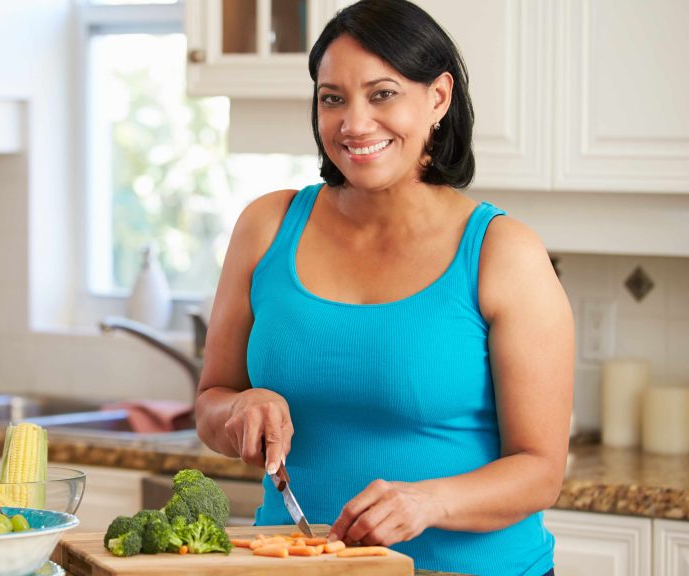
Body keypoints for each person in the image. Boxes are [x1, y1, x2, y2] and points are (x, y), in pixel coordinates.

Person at [193, 1, 573, 575]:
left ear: (438, 98)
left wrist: (431, 500)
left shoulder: (502, 252)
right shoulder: (267, 227)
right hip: (295, 566)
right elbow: (209, 403)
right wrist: (239, 408)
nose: (353, 123)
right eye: (333, 98)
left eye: (382, 94)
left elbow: (541, 470)